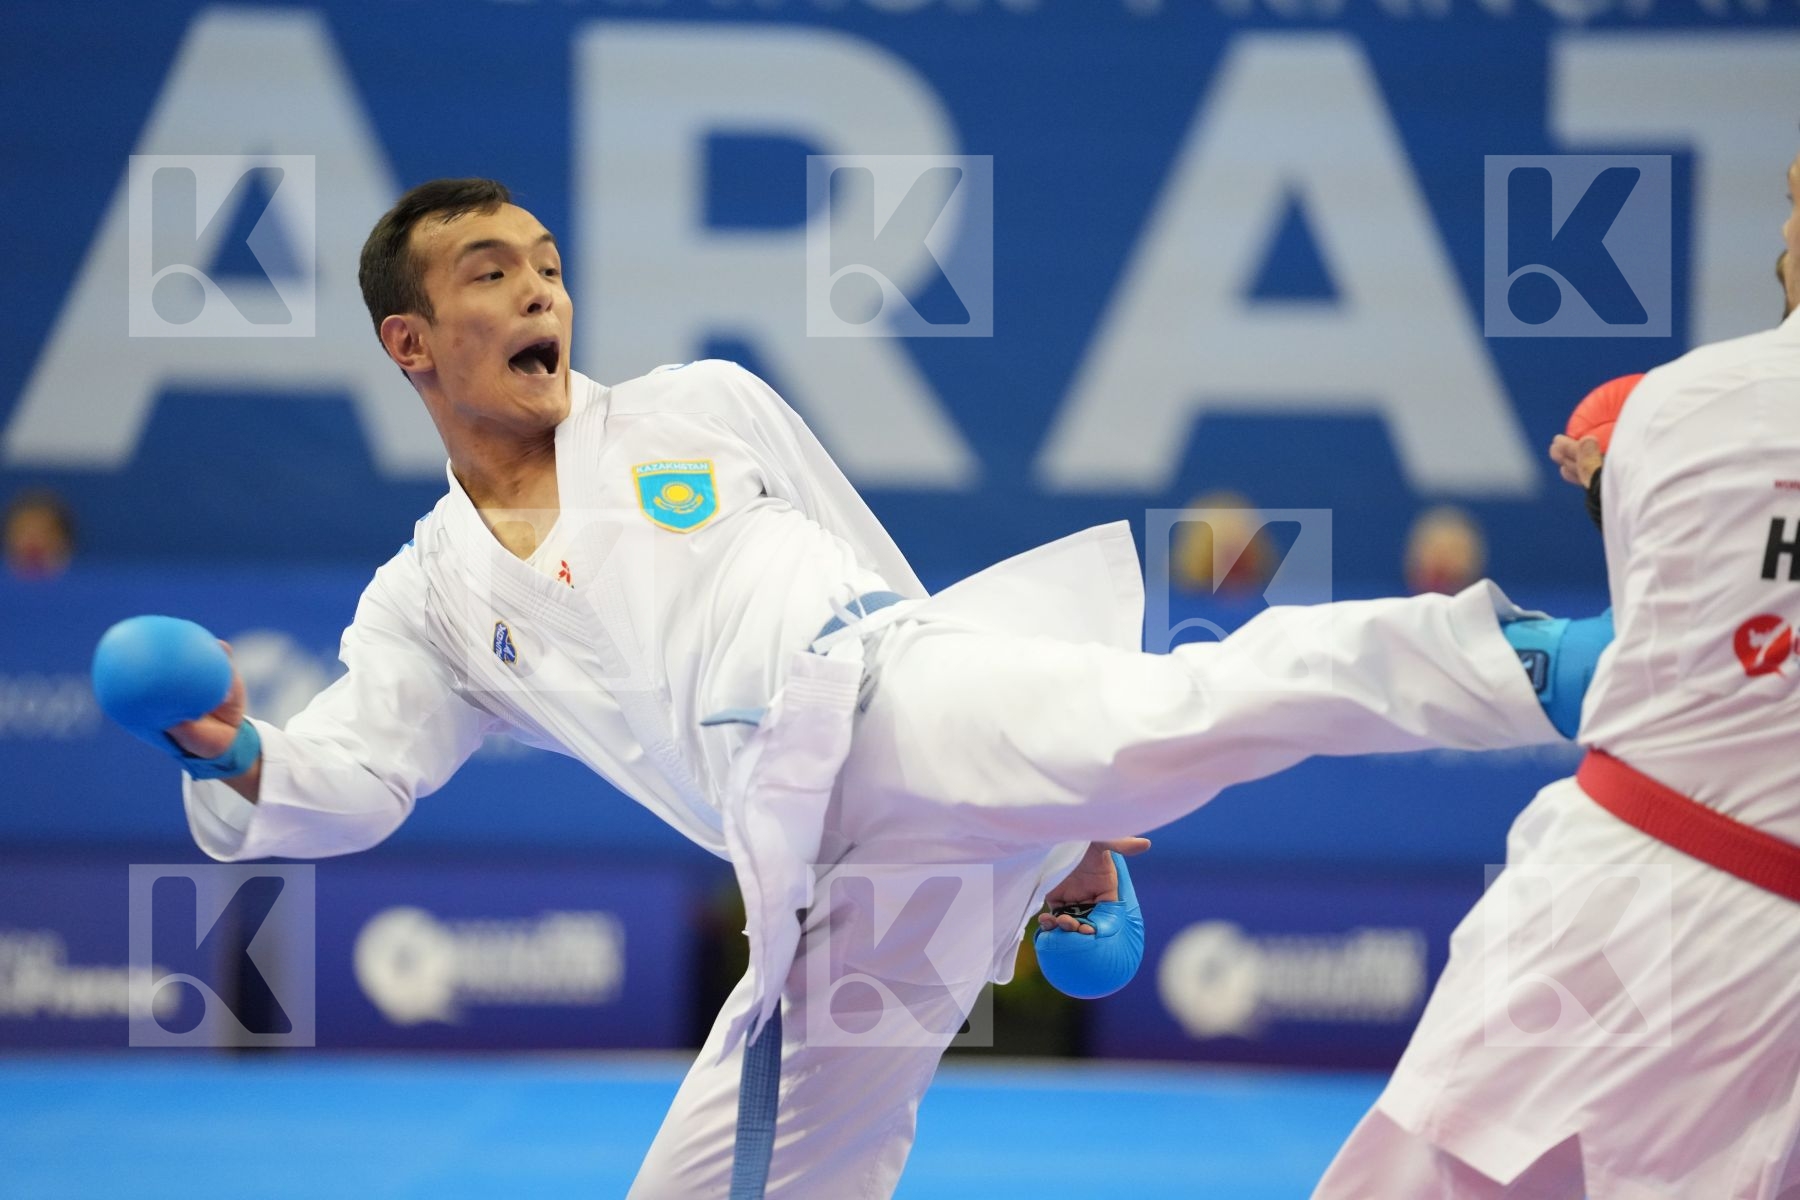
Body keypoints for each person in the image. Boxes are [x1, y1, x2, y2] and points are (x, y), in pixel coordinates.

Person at [140, 179, 1588, 1198]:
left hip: (895, 695)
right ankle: (1042, 850)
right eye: (489, 274)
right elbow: (355, 776)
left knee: (1178, 711)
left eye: (546, 263)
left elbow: (876, 571)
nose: (538, 290)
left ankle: (1524, 657)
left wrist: (1054, 802)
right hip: (819, 883)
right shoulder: (432, 595)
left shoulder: (695, 406)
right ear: (411, 343)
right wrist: (233, 752)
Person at [1312, 149, 1800, 1200]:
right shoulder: (1689, 409)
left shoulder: (1686, 403)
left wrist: (1624, 478)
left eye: (1794, 209)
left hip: (1635, 904)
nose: (1779, 239)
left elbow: (1667, 647)